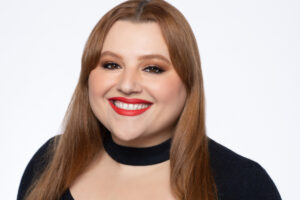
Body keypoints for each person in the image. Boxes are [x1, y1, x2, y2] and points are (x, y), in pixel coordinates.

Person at [17, 0, 282, 199]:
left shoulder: (243, 184)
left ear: (189, 82)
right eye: (111, 65)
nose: (127, 85)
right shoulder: (50, 163)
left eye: (153, 68)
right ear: (88, 75)